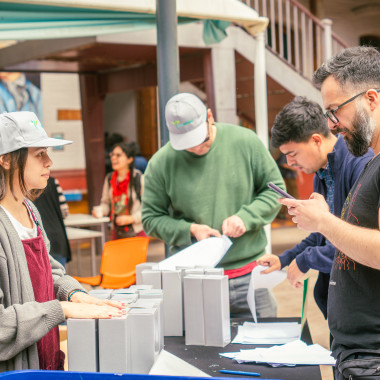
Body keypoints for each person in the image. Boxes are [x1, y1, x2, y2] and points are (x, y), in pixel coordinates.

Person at [279, 47, 380, 378]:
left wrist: (323, 221)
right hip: (357, 354)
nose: (333, 125)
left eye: (336, 111)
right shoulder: (371, 164)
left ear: (371, 100)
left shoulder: (362, 163)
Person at [0, 111, 125, 372]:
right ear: (7, 160)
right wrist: (61, 309)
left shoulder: (31, 211)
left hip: (46, 359)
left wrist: (75, 294)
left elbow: (49, 271)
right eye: (39, 154)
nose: (50, 162)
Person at [142, 92, 285, 318]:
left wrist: (245, 218)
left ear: (210, 116)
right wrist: (190, 230)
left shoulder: (245, 141)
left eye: (202, 139)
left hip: (251, 276)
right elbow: (151, 219)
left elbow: (275, 190)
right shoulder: (161, 163)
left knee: (265, 347)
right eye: (186, 145)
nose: (196, 148)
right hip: (194, 280)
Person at [257, 96, 373, 319]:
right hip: (340, 305)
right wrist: (285, 259)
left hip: (363, 310)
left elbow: (357, 243)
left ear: (316, 140)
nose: (289, 163)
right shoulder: (322, 171)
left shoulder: (359, 164)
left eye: (292, 154)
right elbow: (322, 236)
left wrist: (306, 259)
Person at [93, 142, 145, 239]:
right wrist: (100, 210)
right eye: (112, 154)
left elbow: (149, 208)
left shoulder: (139, 179)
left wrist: (131, 218)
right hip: (117, 232)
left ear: (129, 159)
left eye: (118, 155)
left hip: (137, 232)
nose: (113, 158)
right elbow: (106, 203)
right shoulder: (109, 179)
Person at [34, 177, 72, 267]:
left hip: (38, 240)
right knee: (59, 277)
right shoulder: (53, 181)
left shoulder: (21, 184)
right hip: (57, 238)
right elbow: (64, 212)